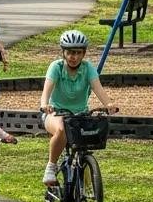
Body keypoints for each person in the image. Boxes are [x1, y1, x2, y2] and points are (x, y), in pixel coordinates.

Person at [38, 29, 117, 185]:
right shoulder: (56, 67)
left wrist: (108, 104)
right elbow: (46, 90)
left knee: (87, 141)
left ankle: (87, 192)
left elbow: (97, 88)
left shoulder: (88, 68)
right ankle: (51, 166)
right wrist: (44, 104)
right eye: (70, 52)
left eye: (78, 53)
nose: (73, 57)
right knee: (61, 128)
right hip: (56, 113)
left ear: (83, 54)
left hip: (79, 115)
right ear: (63, 53)